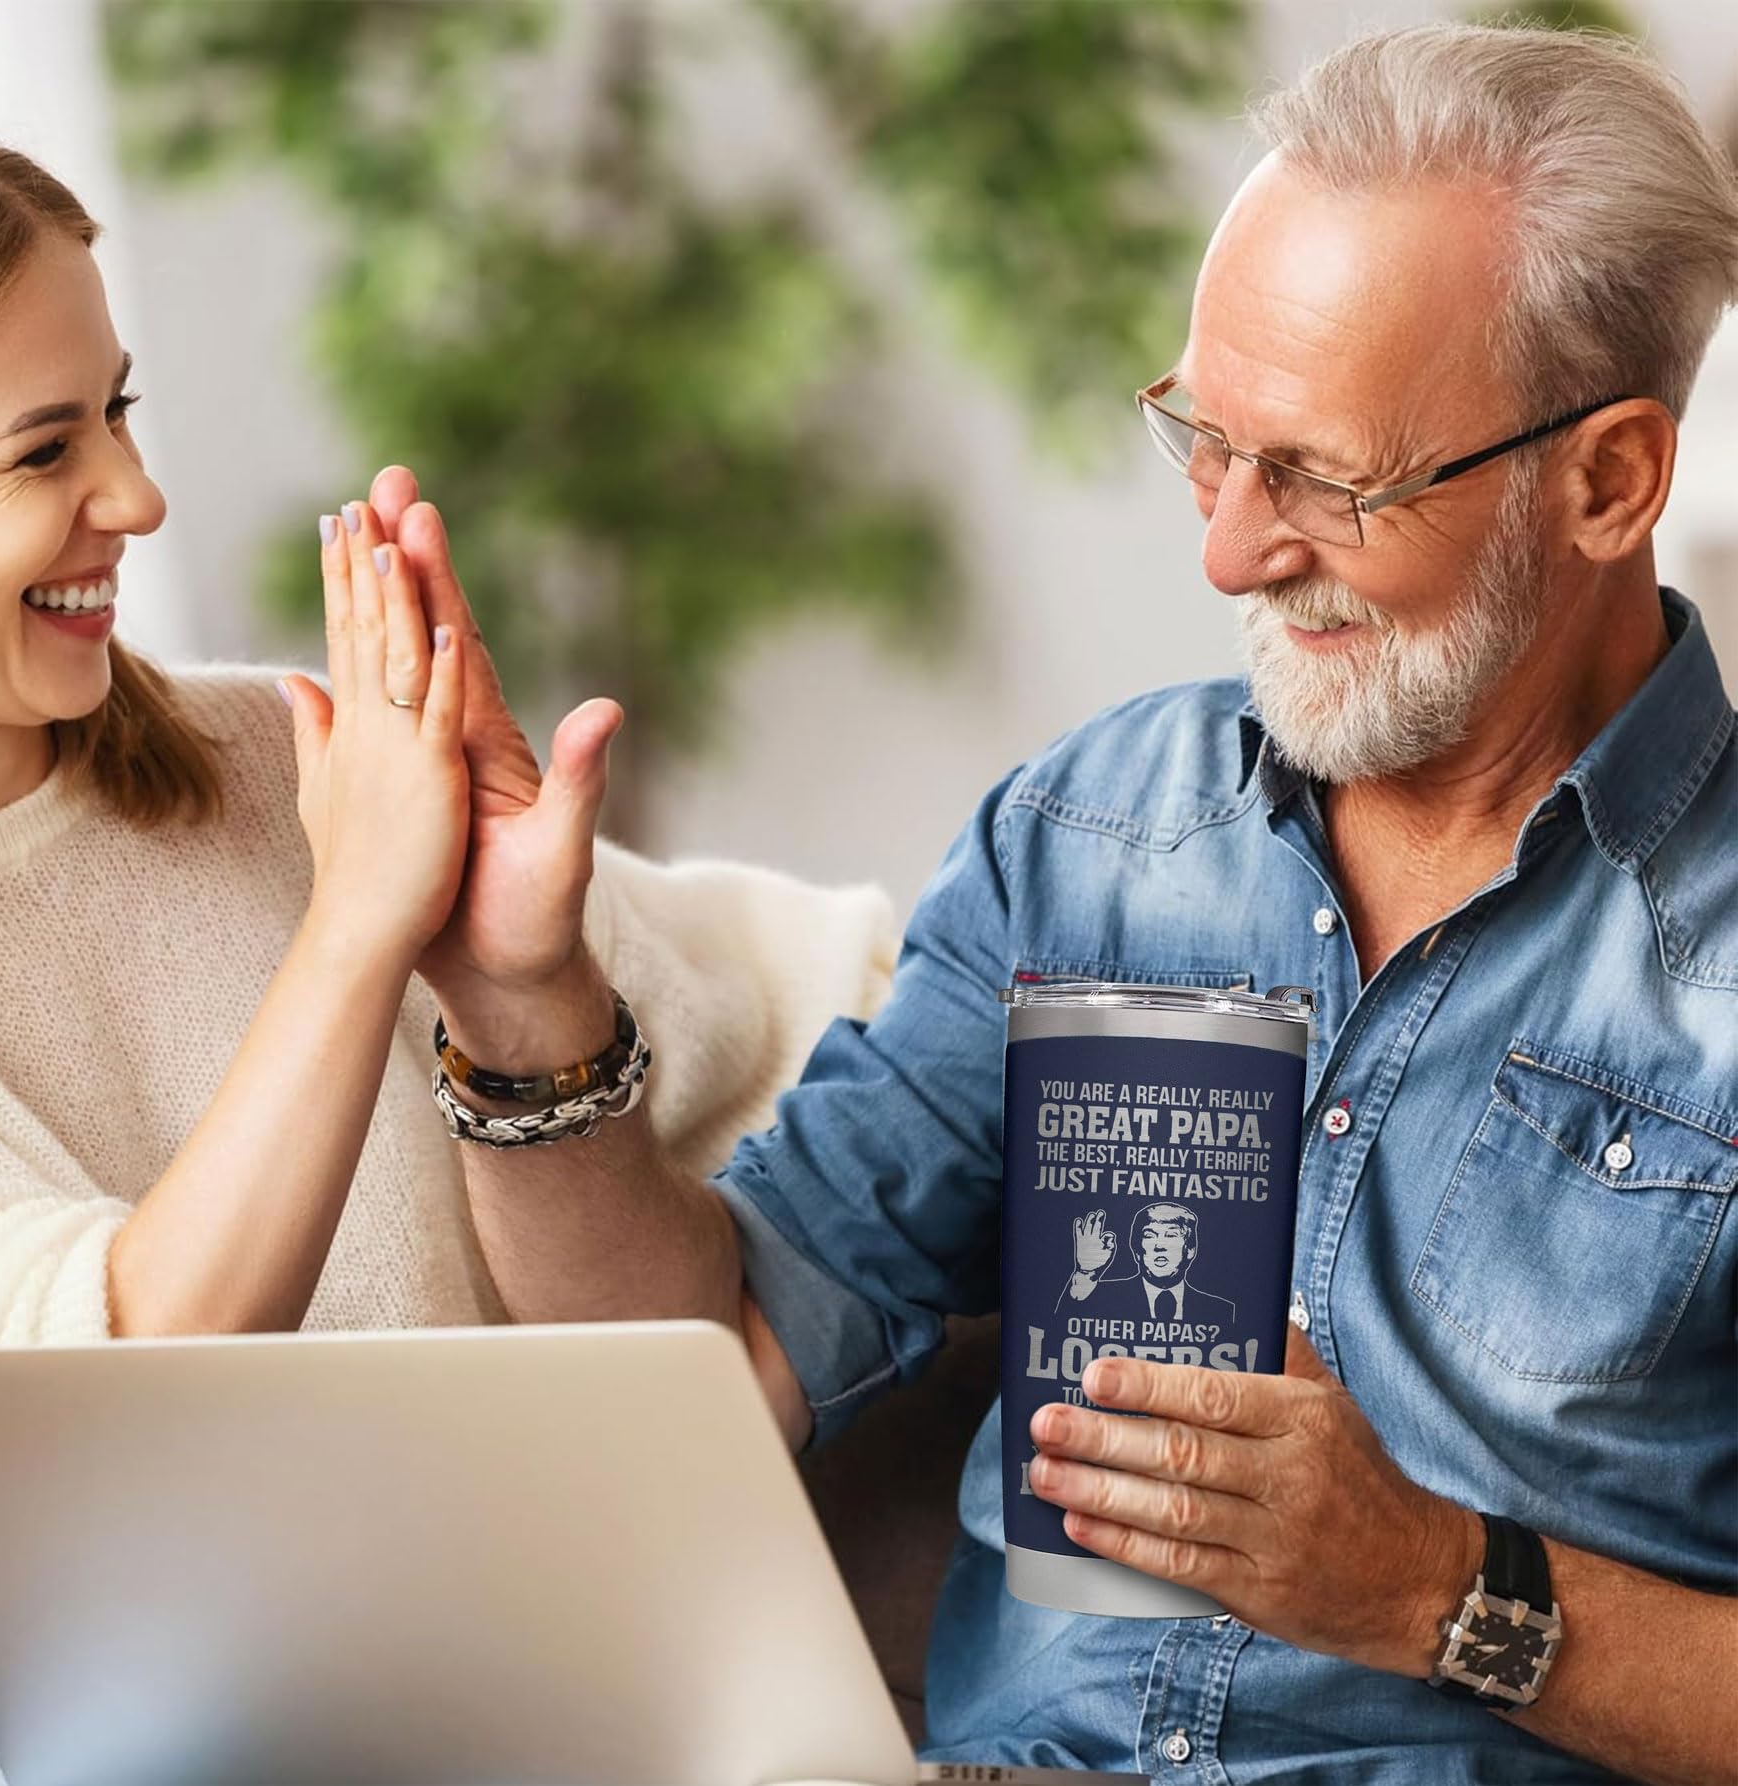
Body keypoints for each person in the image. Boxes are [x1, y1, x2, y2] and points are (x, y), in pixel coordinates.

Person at [411, 24, 1738, 1786]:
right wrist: (522, 993)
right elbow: (708, 1376)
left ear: (1610, 482)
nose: (1229, 552)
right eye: (1207, 440)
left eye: (1329, 484)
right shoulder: (1093, 834)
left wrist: (1434, 1587)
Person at [0, 102, 898, 1786]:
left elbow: (848, 999)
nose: (131, 497)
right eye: (43, 449)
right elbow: (97, 1425)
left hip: (483, 1666)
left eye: (117, 413)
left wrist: (518, 975)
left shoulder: (284, 765)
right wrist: (354, 931)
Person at [1059, 1205, 1239, 1330]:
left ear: (1190, 1249)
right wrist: (1086, 1272)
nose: (1159, 1246)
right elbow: (1059, 1327)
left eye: (1171, 1235)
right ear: (1137, 1250)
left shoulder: (1221, 1311)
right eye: (1150, 1235)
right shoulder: (1102, 1296)